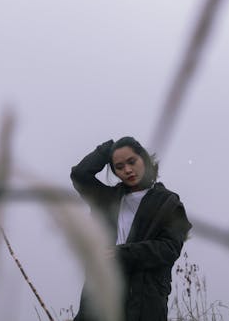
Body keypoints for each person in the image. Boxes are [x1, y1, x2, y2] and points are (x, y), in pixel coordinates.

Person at [70, 136, 192, 321]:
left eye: (131, 161)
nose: (127, 170)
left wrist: (123, 253)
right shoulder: (107, 199)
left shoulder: (168, 202)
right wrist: (107, 149)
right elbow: (80, 175)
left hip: (145, 303)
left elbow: (169, 249)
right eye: (119, 167)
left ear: (143, 159)